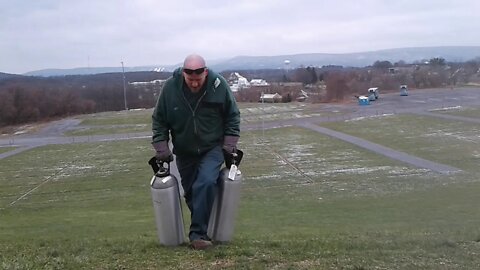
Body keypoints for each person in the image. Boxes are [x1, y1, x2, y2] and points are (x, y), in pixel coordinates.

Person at [151, 54, 240, 250]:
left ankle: (197, 235)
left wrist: (229, 145)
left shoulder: (218, 85)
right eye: (190, 80)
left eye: (198, 80)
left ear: (205, 73)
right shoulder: (170, 89)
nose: (194, 84)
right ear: (183, 74)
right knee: (192, 194)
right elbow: (159, 120)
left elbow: (233, 115)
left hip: (212, 147)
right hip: (184, 150)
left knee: (206, 182)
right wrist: (161, 147)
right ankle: (206, 229)